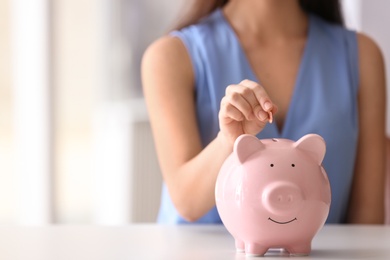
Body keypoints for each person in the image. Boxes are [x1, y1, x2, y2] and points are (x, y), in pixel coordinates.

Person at [141, 0, 386, 224]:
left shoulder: (362, 57)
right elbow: (187, 203)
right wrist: (228, 140)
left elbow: (366, 221)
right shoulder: (171, 56)